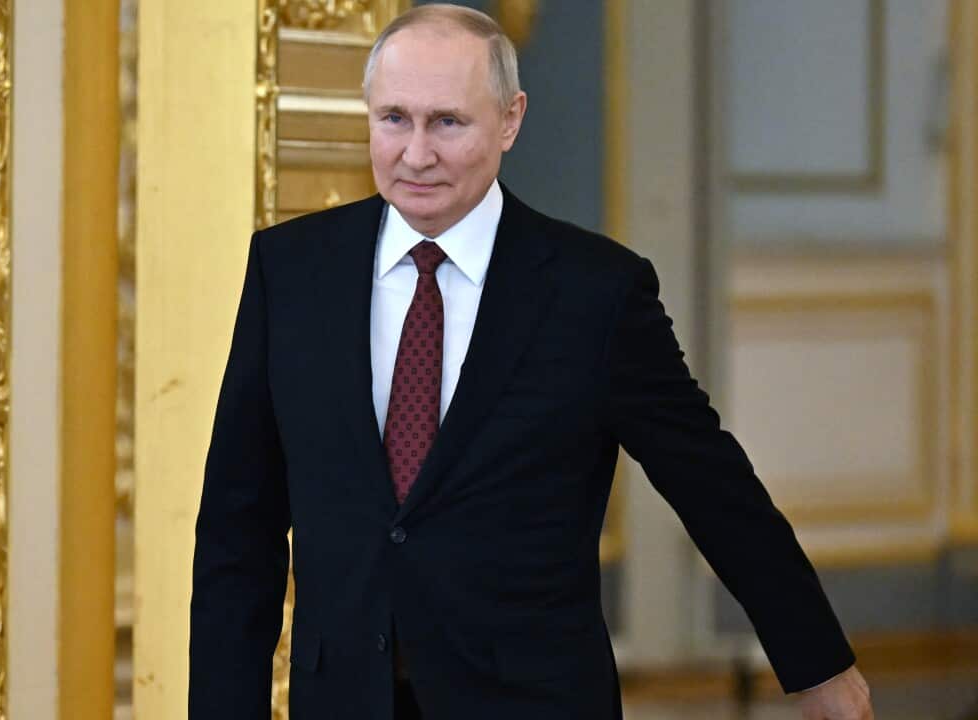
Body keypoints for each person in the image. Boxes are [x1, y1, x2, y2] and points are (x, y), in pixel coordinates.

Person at [190, 5, 874, 719]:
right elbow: (240, 528)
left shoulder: (596, 294)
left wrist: (818, 663)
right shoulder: (291, 270)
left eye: (447, 122)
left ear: (510, 120)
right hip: (344, 699)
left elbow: (710, 482)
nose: (416, 153)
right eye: (394, 118)